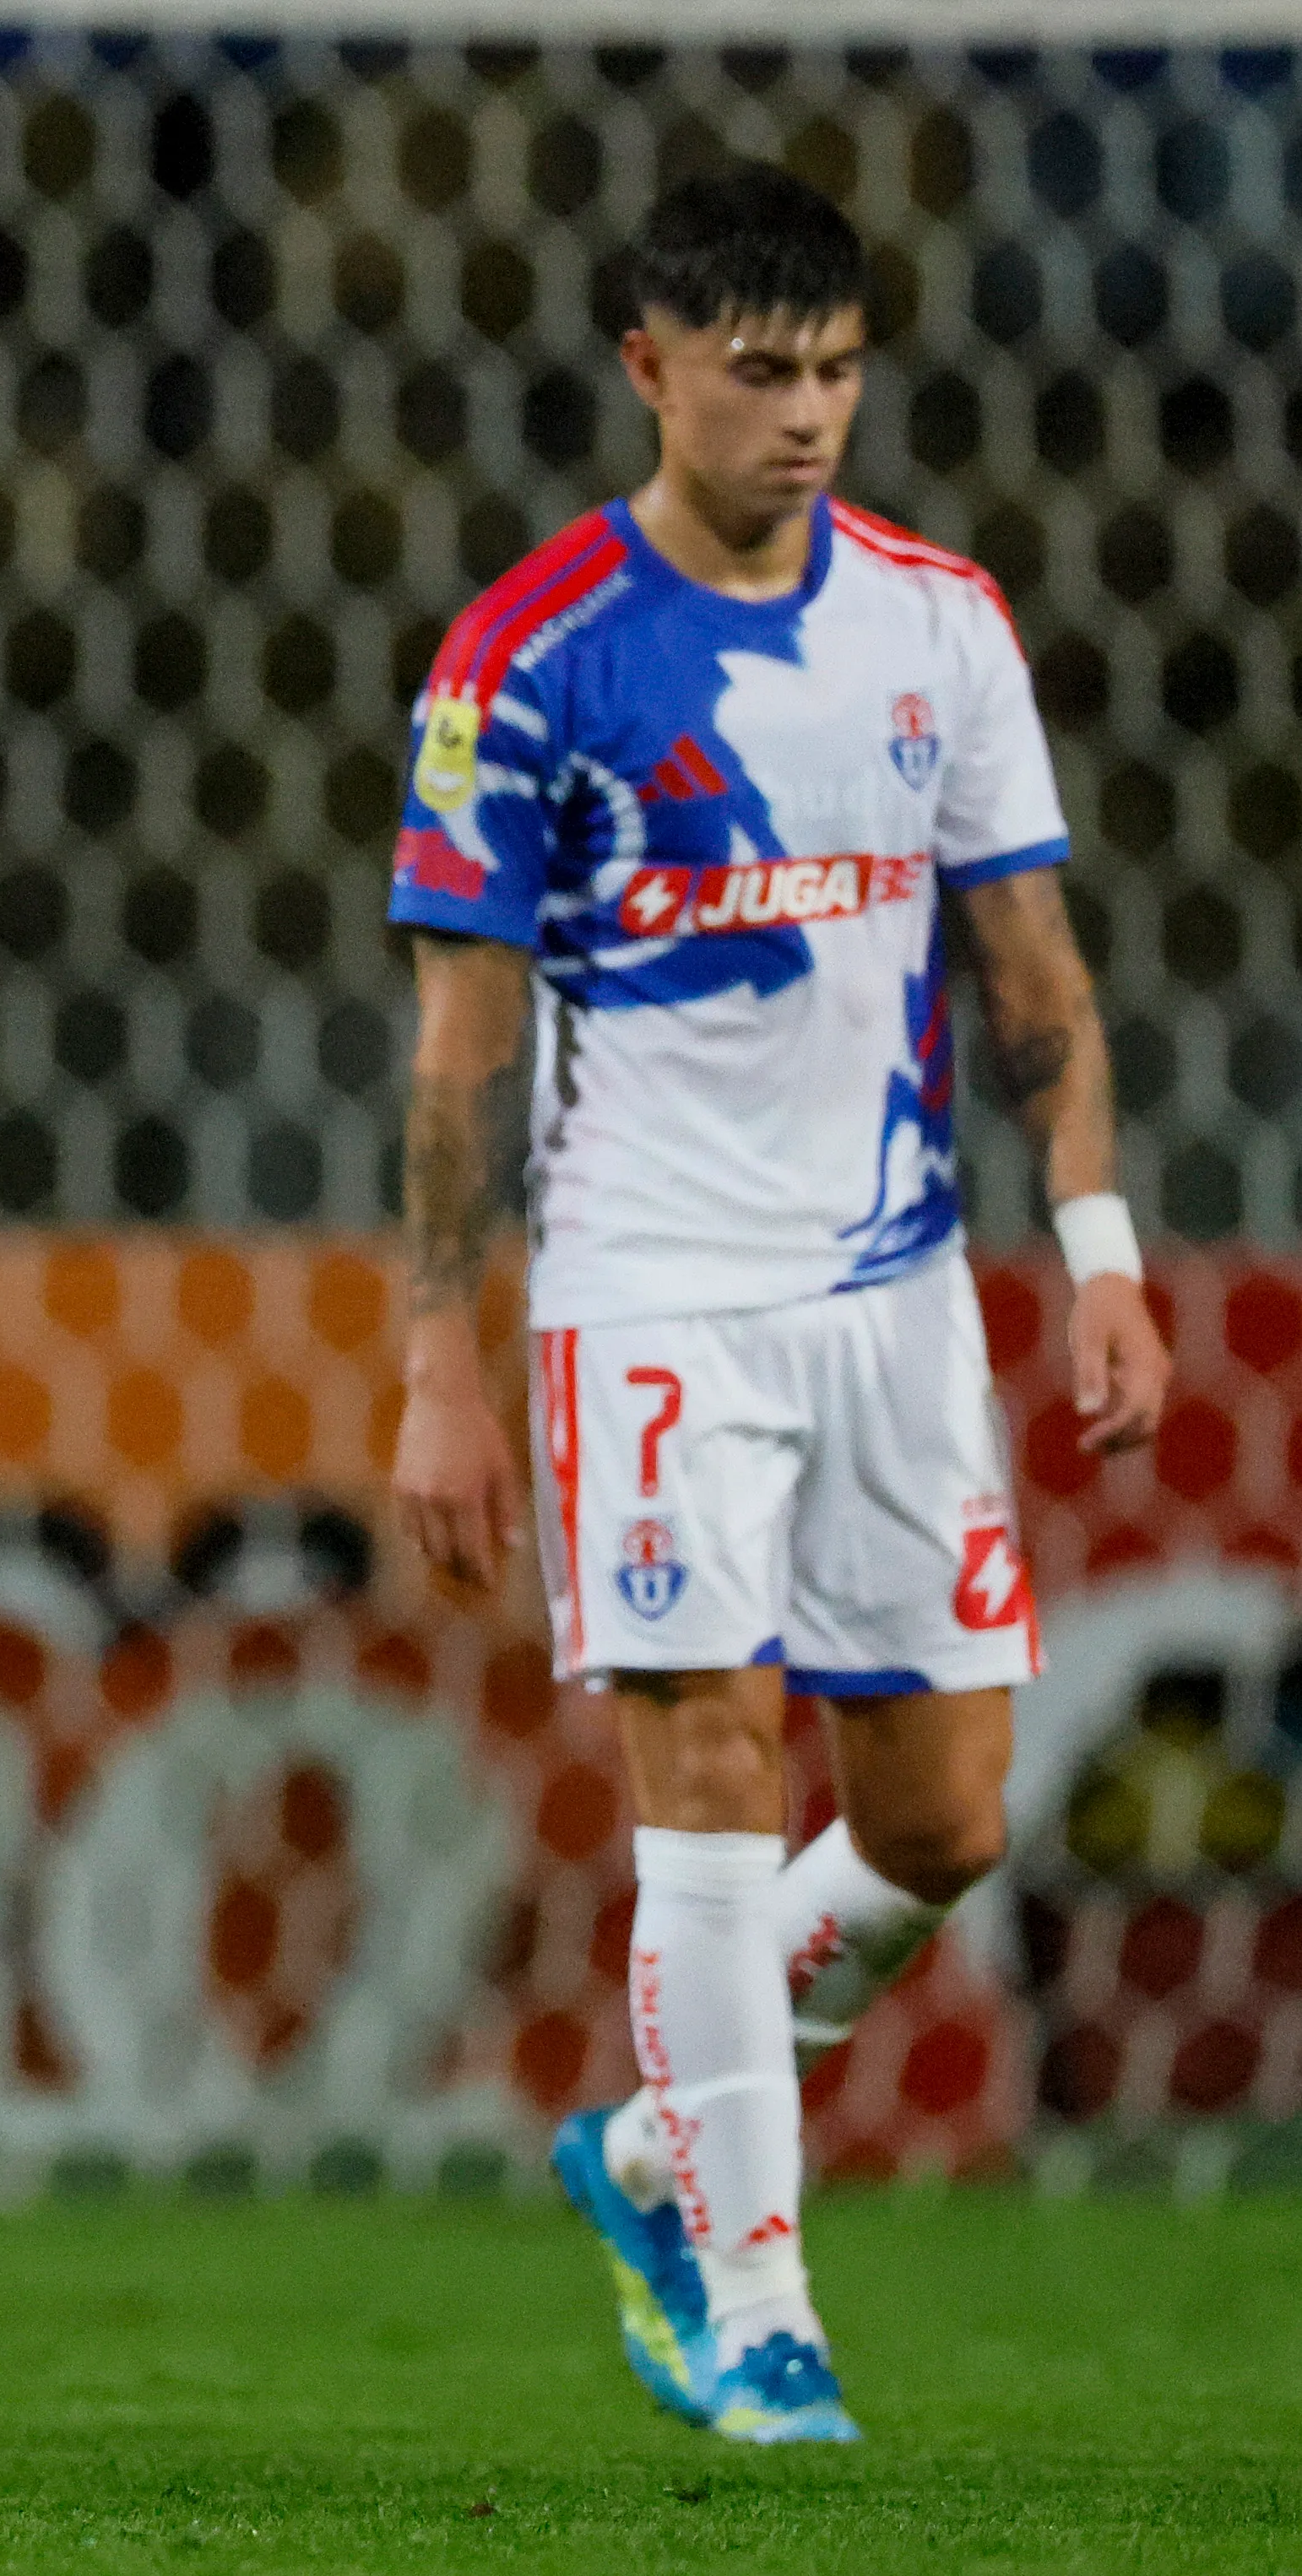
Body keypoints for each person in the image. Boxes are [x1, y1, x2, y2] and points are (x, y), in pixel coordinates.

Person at [386, 163, 1169, 2447]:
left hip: (899, 1290)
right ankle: (754, 2300)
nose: (806, 412)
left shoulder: (939, 627)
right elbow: (457, 1043)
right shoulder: (526, 656)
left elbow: (1036, 984)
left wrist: (1097, 1250)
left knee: (942, 1824)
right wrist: (447, 1355)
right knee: (708, 1768)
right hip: (645, 1293)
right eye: (758, 371)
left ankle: (651, 2140)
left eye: (835, 368)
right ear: (650, 366)